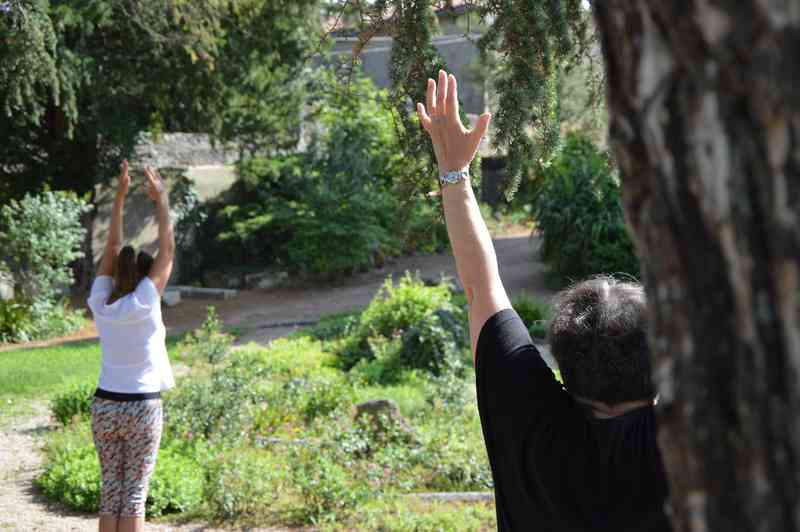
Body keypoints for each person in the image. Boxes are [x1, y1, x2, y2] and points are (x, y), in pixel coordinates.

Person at [416, 71, 671, 531]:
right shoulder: (694, 445)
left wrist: (454, 173)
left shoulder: (529, 417)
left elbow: (480, 284)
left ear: (563, 363)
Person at [86, 160, 176, 532]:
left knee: (112, 492)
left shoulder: (102, 302)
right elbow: (167, 250)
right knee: (135, 494)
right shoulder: (145, 300)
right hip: (141, 406)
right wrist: (162, 200)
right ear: (144, 277)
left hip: (105, 404)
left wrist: (119, 198)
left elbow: (112, 247)